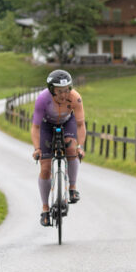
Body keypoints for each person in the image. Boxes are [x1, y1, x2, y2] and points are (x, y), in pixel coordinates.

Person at [31, 69, 87, 227]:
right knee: (45, 167)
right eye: (60, 91)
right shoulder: (42, 99)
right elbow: (35, 127)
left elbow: (81, 124)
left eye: (67, 89)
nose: (64, 95)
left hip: (67, 122)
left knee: (71, 148)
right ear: (51, 90)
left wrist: (80, 146)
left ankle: (72, 188)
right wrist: (37, 149)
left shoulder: (75, 98)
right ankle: (45, 209)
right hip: (46, 126)